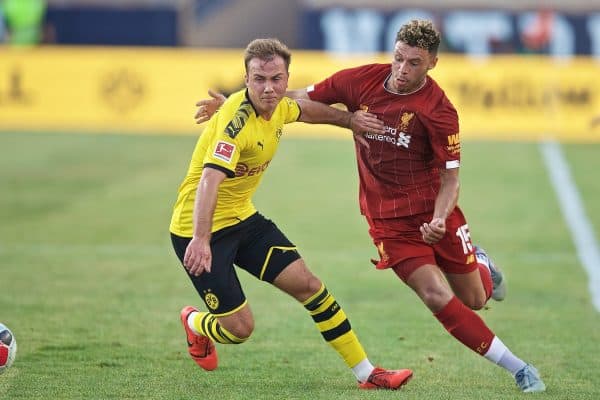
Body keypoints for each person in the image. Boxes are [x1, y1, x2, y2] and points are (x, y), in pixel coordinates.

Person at [195, 21, 546, 393]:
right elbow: (295, 95)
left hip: (433, 212)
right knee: (434, 294)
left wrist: (440, 219)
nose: (402, 70)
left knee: (475, 299)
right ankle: (519, 368)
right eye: (398, 58)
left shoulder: (439, 111)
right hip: (387, 221)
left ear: (433, 64)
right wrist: (239, 102)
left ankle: (480, 263)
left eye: (414, 63)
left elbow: (451, 180)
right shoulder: (359, 80)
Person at [170, 38, 412, 390]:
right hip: (198, 228)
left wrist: (348, 121)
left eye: (276, 79)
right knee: (240, 331)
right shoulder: (234, 125)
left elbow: (308, 110)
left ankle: (368, 373)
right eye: (259, 80)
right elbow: (209, 180)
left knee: (310, 286)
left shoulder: (280, 105)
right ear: (247, 79)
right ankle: (194, 323)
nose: (269, 88)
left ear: (286, 79)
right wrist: (201, 239)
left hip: (243, 219)